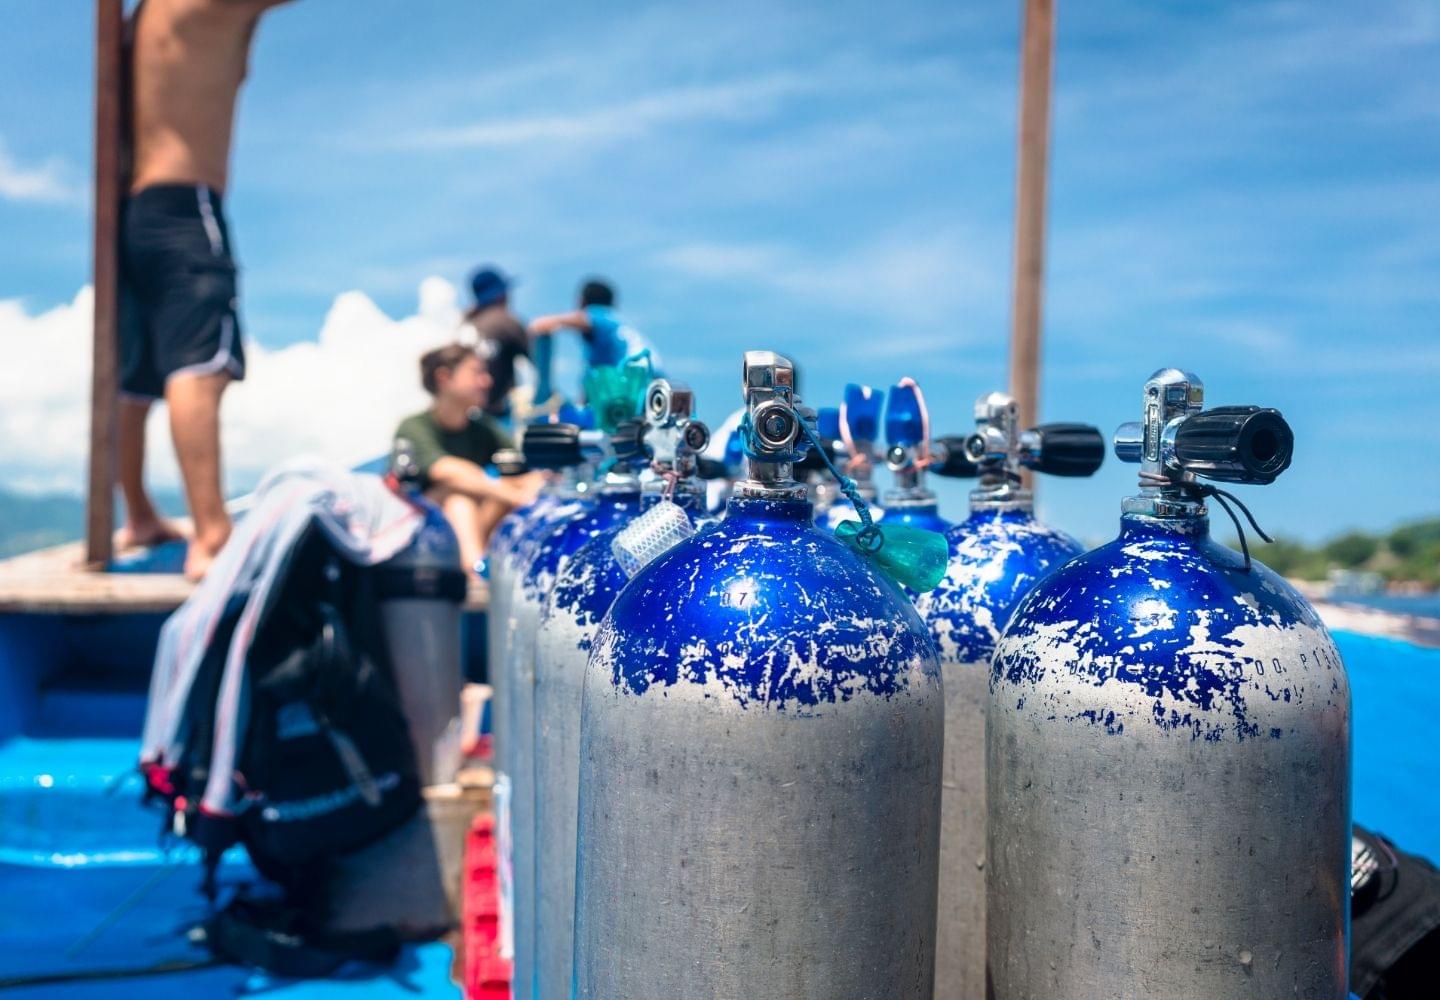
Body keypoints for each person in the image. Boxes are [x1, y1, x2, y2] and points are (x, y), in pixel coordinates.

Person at [117, 0, 294, 580]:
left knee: (135, 376)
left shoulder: (141, 19)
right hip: (186, 204)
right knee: (201, 365)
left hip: (133, 213)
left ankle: (140, 513)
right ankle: (212, 533)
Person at [393, 344, 538, 577]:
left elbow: (520, 472)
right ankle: (475, 579)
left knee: (520, 484)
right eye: (477, 372)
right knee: (458, 497)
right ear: (444, 377)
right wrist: (515, 495)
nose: (487, 381)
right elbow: (445, 472)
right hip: (422, 535)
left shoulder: (485, 428)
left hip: (476, 525)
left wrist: (532, 485)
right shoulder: (413, 427)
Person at [526, 277, 655, 404]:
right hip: (655, 386)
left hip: (632, 388)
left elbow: (546, 324)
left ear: (582, 302)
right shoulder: (618, 325)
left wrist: (542, 324)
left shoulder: (599, 315)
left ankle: (541, 402)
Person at [464, 265, 529, 423]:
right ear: (501, 295)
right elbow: (537, 359)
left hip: (466, 418)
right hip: (499, 416)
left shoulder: (465, 325)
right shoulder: (506, 321)